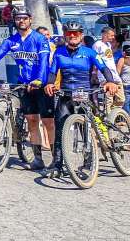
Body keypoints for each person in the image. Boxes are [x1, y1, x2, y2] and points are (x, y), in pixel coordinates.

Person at [0, 8, 53, 169]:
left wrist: (40, 80)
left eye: (24, 18)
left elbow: (44, 61)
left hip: (41, 85)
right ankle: (38, 159)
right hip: (23, 85)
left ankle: (57, 159)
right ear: (14, 21)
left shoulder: (39, 39)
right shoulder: (11, 41)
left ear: (30, 20)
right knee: (32, 121)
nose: (21, 21)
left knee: (48, 122)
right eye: (18, 18)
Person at [44, 22, 119, 177]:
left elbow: (104, 68)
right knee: (59, 130)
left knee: (86, 129)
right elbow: (52, 72)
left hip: (84, 93)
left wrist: (110, 81)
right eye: (70, 33)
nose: (72, 36)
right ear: (65, 35)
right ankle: (57, 164)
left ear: (81, 35)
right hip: (65, 95)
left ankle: (89, 161)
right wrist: (50, 83)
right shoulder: (59, 52)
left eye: (76, 33)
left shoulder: (89, 52)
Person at [93, 26, 126, 108]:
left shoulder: (108, 44)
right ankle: (108, 118)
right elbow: (94, 60)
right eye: (111, 35)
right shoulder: (97, 44)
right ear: (104, 35)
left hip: (115, 76)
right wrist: (95, 74)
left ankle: (115, 114)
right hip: (105, 77)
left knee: (121, 99)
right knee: (108, 100)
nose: (113, 37)